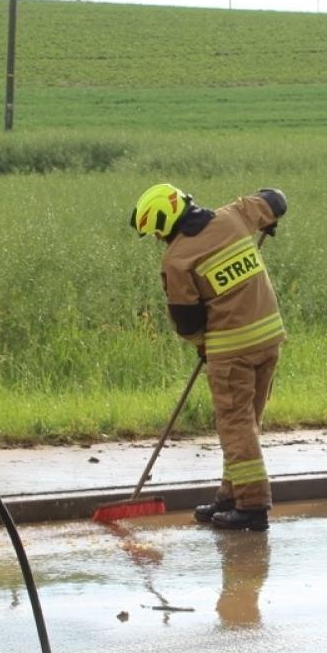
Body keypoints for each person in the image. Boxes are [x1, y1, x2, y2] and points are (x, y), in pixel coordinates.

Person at [131, 182, 287, 531]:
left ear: (166, 221)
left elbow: (187, 321)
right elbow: (276, 199)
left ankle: (252, 506)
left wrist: (201, 342)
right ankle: (230, 496)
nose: (159, 240)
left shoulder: (177, 259)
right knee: (247, 426)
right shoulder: (234, 216)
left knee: (235, 426)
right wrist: (268, 220)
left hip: (232, 351)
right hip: (269, 339)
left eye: (158, 232)